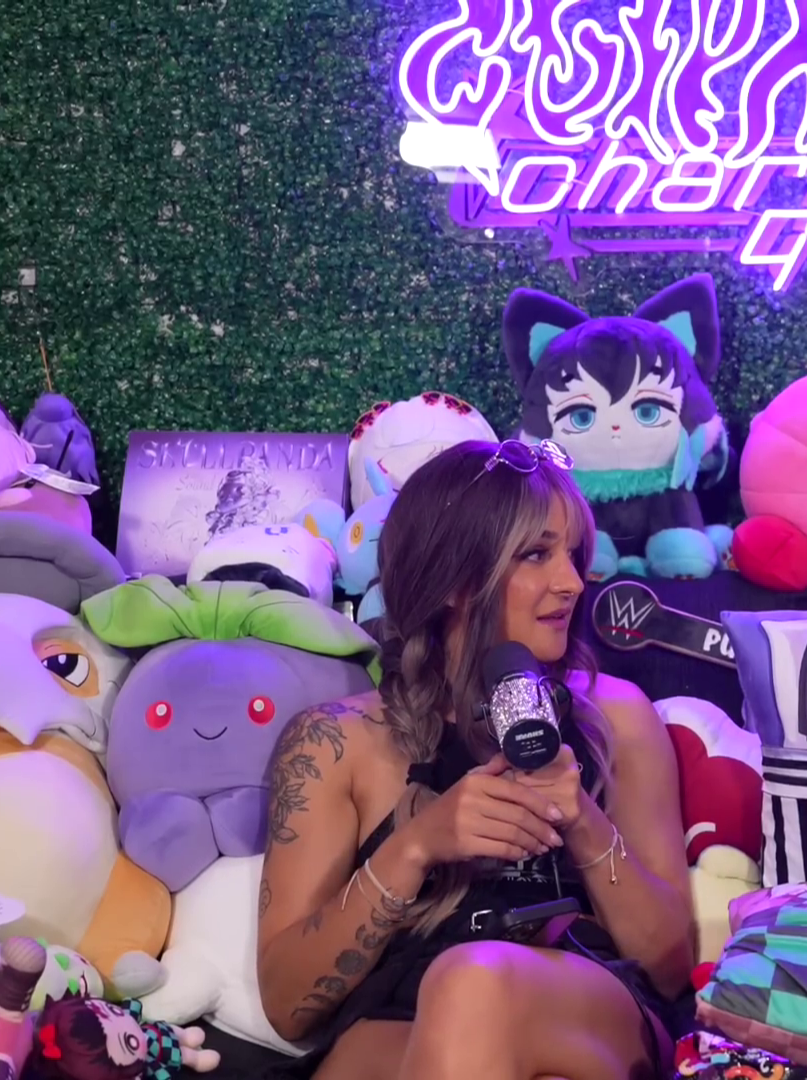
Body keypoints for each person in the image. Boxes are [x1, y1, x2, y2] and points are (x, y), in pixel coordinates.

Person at [255, 439, 695, 1080]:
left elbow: (672, 968)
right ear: (455, 580)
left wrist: (580, 818)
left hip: (582, 998)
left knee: (472, 983)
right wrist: (416, 847)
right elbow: (287, 1006)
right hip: (397, 1023)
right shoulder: (334, 742)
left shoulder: (615, 718)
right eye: (537, 554)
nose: (573, 582)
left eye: (573, 554)